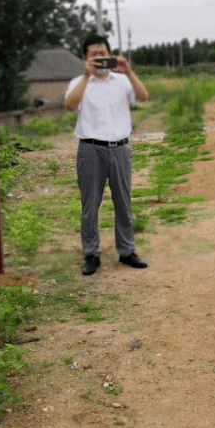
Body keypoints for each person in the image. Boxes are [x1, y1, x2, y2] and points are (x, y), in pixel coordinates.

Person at [65, 34, 150, 276]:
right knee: (90, 205)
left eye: (103, 53)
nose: (99, 57)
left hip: (120, 148)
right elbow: (70, 105)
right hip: (91, 149)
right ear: (85, 58)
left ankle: (126, 251)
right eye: (93, 54)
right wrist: (86, 76)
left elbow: (143, 97)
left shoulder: (122, 81)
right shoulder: (78, 82)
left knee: (123, 202)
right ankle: (91, 253)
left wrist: (130, 72)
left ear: (110, 55)